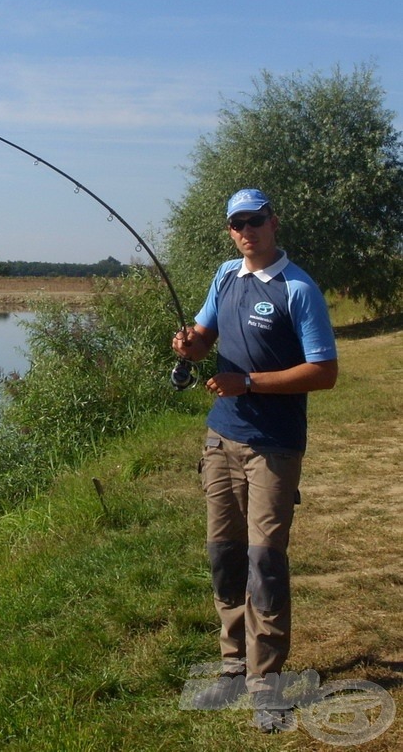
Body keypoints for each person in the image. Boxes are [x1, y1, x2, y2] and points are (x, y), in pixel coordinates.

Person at [172, 188, 338, 733]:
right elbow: (204, 336)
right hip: (221, 440)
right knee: (224, 556)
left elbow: (324, 371)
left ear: (274, 221)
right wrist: (190, 345)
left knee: (264, 561)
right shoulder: (225, 276)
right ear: (230, 231)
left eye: (256, 220)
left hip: (273, 446)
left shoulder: (299, 289)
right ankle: (232, 668)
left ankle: (267, 684)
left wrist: (248, 383)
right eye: (238, 223)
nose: (248, 230)